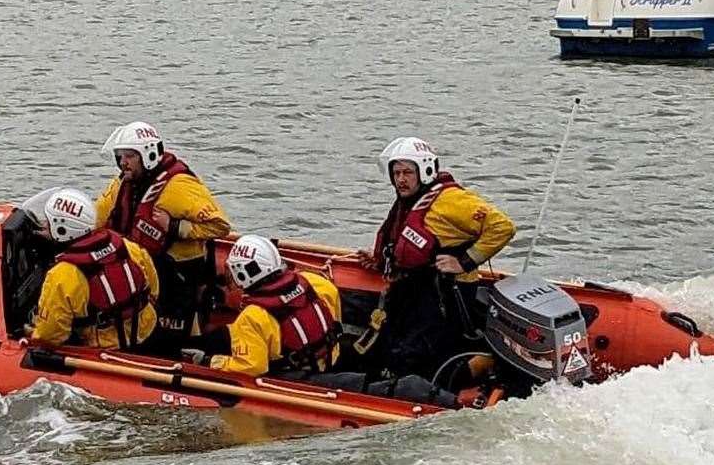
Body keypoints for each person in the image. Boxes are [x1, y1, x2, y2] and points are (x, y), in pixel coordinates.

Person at [188, 235, 457, 407]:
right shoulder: (314, 282)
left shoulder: (252, 318)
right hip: (333, 357)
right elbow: (333, 316)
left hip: (299, 378)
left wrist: (210, 361)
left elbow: (250, 367)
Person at [357, 136, 516, 381]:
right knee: (393, 344)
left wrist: (464, 261)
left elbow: (502, 227)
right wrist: (380, 259)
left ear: (425, 170)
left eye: (408, 172)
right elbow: (407, 241)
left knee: (423, 356)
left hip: (446, 292)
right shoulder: (412, 200)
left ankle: (483, 364)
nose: (401, 179)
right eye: (396, 173)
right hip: (415, 288)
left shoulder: (451, 200)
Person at [95, 121, 232, 351]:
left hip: (177, 275)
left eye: (129, 156)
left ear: (147, 155)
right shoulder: (124, 182)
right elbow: (98, 217)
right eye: (119, 156)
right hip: (142, 270)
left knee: (172, 340)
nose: (122, 162)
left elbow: (220, 225)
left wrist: (176, 227)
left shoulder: (179, 186)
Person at [23, 186, 159, 351]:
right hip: (146, 329)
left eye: (48, 222)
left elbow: (50, 336)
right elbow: (153, 286)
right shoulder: (126, 246)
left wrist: (32, 331)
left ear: (62, 229)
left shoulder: (62, 275)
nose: (44, 225)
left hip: (107, 346)